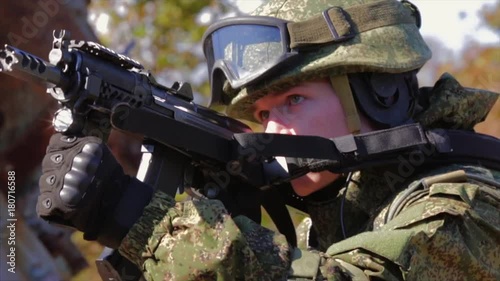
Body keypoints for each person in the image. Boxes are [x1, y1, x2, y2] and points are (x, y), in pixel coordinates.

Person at [37, 0, 500, 280]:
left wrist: (143, 221)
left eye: (293, 100)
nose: (272, 130)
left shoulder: (464, 208)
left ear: (378, 92)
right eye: (262, 114)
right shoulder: (334, 220)